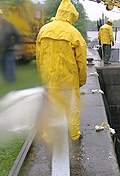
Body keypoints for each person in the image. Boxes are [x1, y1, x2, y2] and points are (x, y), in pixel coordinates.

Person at [36, 0, 87, 142]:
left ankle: (48, 135)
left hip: (48, 78)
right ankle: (74, 134)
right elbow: (81, 62)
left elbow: (39, 56)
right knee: (71, 107)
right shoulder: (74, 34)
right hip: (68, 79)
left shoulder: (44, 30)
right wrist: (81, 80)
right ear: (71, 15)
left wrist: (41, 75)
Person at [0, 9, 21, 82]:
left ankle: (11, 79)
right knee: (3, 65)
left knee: (9, 63)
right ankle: (6, 78)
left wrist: (16, 44)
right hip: (1, 50)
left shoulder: (8, 25)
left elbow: (17, 35)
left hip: (9, 48)